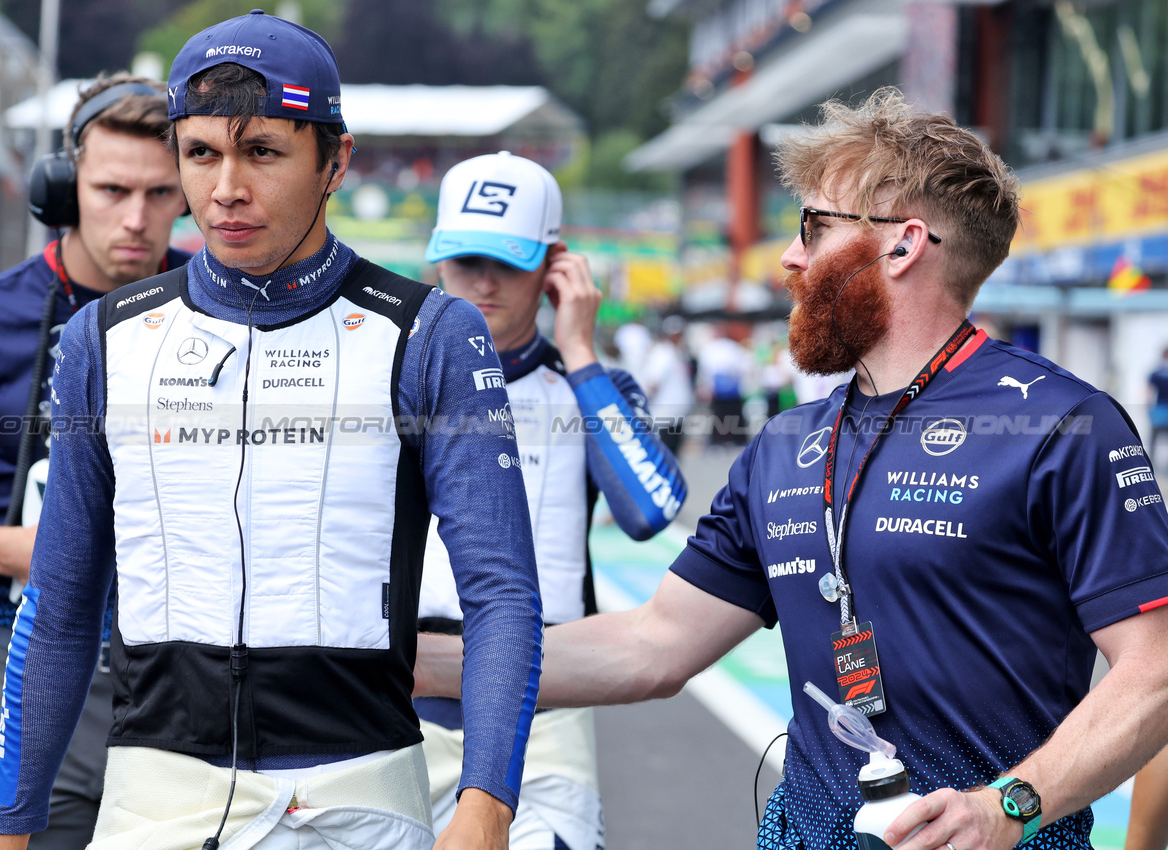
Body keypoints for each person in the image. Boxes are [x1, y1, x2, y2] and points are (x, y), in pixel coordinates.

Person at [416, 88, 1168, 850]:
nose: (789, 256)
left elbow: (1155, 673)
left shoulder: (1060, 423)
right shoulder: (785, 444)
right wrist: (399, 663)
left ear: (901, 246)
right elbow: (651, 644)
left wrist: (1008, 805)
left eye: (813, 226)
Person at [0, 12, 542, 850]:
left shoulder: (430, 335)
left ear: (335, 160)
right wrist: (10, 829)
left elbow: (500, 592)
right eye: (202, 153)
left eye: (264, 153)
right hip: (153, 807)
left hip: (361, 804)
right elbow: (62, 608)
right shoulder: (106, 338)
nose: (226, 188)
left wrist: (486, 803)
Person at [0, 73, 188, 850]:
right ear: (62, 187)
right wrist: (8, 550)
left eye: (161, 193)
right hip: (19, 654)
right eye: (112, 188)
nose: (136, 218)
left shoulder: (228, 308)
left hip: (189, 678)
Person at [418, 151, 688, 850]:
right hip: (395, 701)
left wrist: (579, 351)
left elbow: (650, 509)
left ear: (553, 265)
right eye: (464, 258)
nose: (481, 281)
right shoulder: (387, 377)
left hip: (544, 701)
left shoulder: (588, 387)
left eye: (506, 261)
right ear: (436, 258)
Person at [639, 316, 694, 457]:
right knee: (666, 456)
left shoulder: (677, 352)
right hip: (665, 415)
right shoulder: (662, 353)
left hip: (676, 414)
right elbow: (652, 382)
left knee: (674, 456)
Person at [1147, 348, 1168, 462]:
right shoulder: (1156, 373)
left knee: (1154, 441)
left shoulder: (1156, 373)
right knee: (1154, 441)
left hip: (1158, 413)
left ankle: (1151, 463)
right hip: (1160, 412)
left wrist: (1148, 408)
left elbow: (1148, 392)